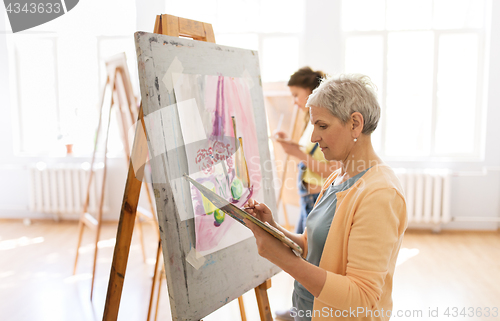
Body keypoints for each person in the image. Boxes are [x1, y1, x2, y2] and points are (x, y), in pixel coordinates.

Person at [245, 74, 408, 321]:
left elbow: (362, 298)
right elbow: (316, 249)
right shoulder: (337, 177)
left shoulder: (380, 193)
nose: (313, 137)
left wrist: (283, 259)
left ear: (355, 124)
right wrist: (273, 229)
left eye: (322, 126)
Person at [274, 67, 340, 234]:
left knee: (307, 255)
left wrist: (296, 153)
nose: (294, 101)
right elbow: (314, 155)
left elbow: (335, 171)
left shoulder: (326, 123)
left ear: (311, 92)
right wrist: (291, 145)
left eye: (296, 95)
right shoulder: (311, 122)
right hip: (307, 199)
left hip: (318, 199)